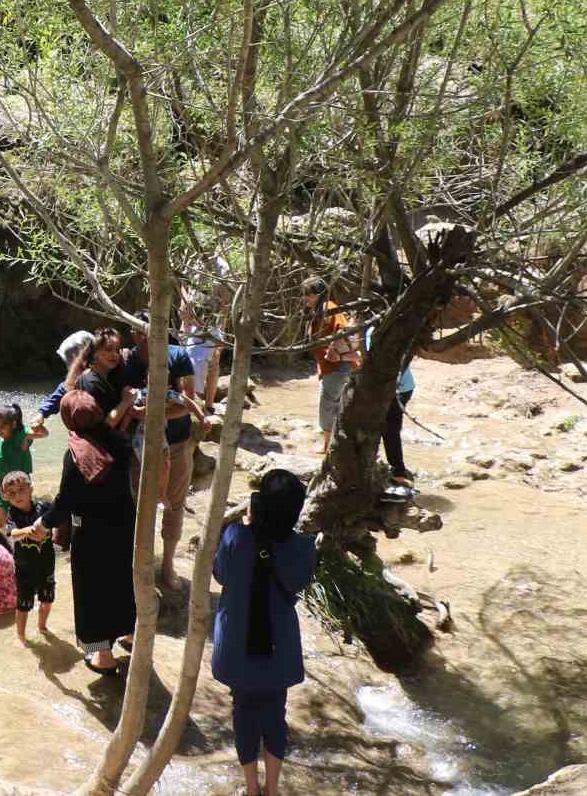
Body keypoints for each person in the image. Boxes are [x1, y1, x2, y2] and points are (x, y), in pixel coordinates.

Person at [212, 469, 318, 796]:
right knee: (275, 714)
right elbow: (299, 582)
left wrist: (247, 529)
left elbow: (219, 574)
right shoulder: (303, 547)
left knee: (243, 711)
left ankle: (251, 789)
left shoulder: (234, 536)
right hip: (278, 644)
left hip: (237, 644)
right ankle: (272, 790)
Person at [15, 389, 137, 672]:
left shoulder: (76, 454)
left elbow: (66, 500)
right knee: (123, 580)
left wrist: (42, 524)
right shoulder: (119, 441)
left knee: (93, 592)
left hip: (92, 533)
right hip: (125, 525)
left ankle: (103, 657)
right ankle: (130, 635)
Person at [123, 313, 209, 591]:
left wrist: (149, 413)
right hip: (140, 447)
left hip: (177, 442)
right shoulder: (127, 361)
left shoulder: (178, 355)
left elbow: (188, 402)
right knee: (138, 504)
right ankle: (142, 562)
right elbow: (124, 405)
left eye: (151, 330)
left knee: (174, 502)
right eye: (140, 332)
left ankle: (168, 563)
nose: (145, 336)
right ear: (133, 334)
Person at [304, 278, 362, 455]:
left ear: (319, 294)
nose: (306, 298)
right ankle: (335, 445)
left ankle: (327, 447)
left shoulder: (328, 308)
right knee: (337, 405)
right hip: (334, 367)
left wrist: (334, 351)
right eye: (305, 294)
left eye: (310, 294)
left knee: (328, 405)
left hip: (338, 367)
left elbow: (343, 329)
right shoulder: (321, 310)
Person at [34, 327, 132, 429]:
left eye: (116, 350)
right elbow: (62, 391)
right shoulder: (87, 381)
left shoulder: (115, 369)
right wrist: (41, 413)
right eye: (108, 349)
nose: (114, 354)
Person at [0, 471, 55, 643]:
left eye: (22, 489)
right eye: (12, 493)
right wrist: (27, 531)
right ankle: (21, 636)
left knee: (47, 600)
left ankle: (42, 626)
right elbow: (12, 532)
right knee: (23, 606)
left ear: (31, 489)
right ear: (6, 497)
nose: (18, 496)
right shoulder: (12, 514)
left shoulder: (44, 507)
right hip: (24, 570)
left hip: (46, 565)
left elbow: (57, 518)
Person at [367, 323, 418, 485]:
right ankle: (387, 465)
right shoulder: (386, 331)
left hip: (398, 388)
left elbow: (382, 363)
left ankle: (398, 472)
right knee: (384, 426)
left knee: (390, 429)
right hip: (401, 386)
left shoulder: (377, 333)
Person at [0, 402, 45, 529]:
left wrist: (39, 425)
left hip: (22, 489)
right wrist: (0, 489)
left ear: (13, 424)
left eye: (2, 427)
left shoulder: (22, 436)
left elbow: (44, 434)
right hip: (4, 490)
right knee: (0, 527)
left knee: (26, 524)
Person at [181, 284, 224, 415]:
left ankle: (208, 405)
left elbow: (225, 307)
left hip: (213, 326)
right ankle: (193, 404)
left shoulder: (222, 267)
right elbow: (183, 287)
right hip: (191, 323)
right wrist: (184, 321)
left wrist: (221, 337)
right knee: (190, 363)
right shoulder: (192, 264)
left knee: (212, 364)